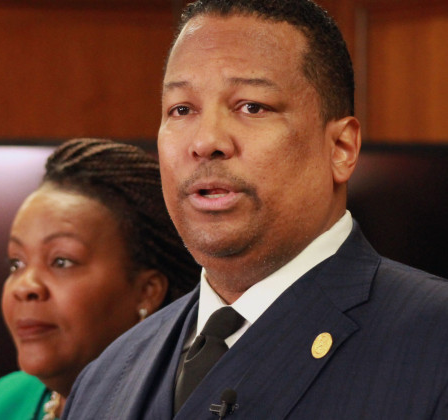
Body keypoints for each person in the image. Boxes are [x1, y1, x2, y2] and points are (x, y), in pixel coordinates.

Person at [64, 1, 448, 419]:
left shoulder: (434, 342)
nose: (206, 140)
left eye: (251, 106)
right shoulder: (104, 378)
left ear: (340, 148)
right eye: (181, 109)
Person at [0, 138, 201, 420]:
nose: (26, 286)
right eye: (16, 263)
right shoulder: (4, 403)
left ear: (146, 292)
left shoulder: (186, 408)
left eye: (61, 261)